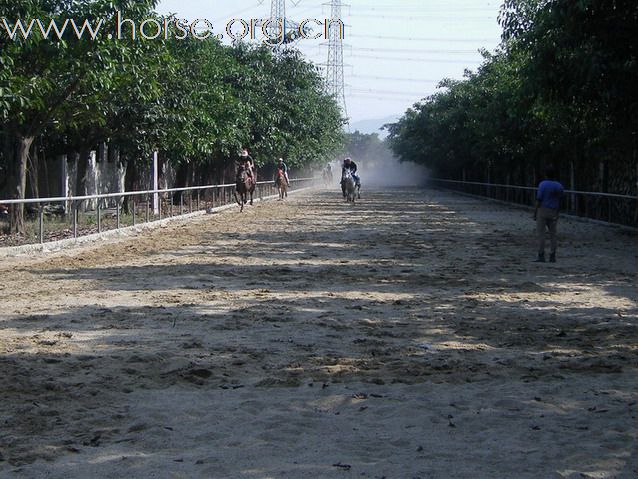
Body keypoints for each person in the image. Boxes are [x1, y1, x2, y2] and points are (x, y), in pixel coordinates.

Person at [534, 166, 564, 263]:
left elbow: (539, 199)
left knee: (541, 234)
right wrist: (558, 211)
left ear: (545, 174)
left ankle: (541, 255)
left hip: (543, 210)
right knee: (553, 234)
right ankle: (552, 255)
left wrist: (535, 211)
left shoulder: (542, 184)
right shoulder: (559, 186)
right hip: (554, 211)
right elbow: (560, 200)